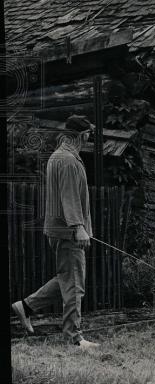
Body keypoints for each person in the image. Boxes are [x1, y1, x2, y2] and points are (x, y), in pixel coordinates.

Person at [11, 115, 99, 349]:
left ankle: (26, 306)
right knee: (74, 285)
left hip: (58, 231)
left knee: (66, 279)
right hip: (68, 232)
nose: (90, 136)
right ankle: (74, 337)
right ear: (81, 135)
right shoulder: (69, 160)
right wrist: (78, 227)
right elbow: (69, 196)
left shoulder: (58, 156)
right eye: (88, 133)